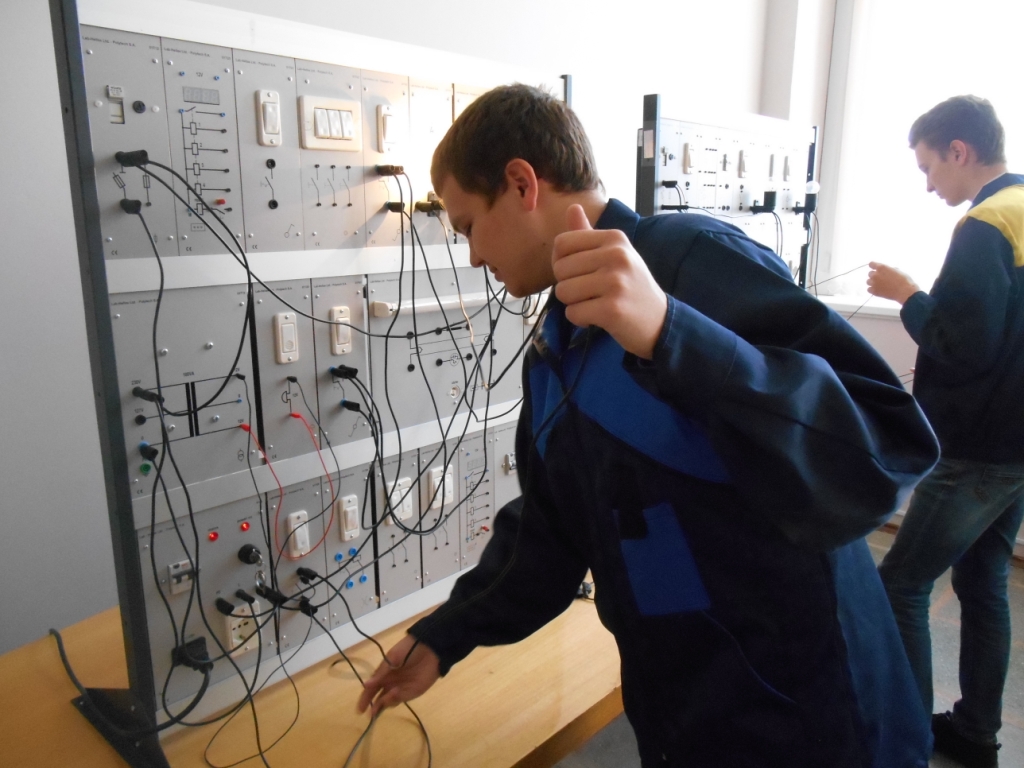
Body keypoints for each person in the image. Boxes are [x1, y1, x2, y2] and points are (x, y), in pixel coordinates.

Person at [358, 84, 940, 767]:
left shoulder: (691, 259)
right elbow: (548, 535)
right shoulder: (555, 351)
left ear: (521, 184)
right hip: (685, 716)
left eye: (467, 227)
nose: (474, 257)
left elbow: (881, 450)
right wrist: (445, 635)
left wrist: (670, 333)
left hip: (812, 713)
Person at [868, 95, 1024, 768]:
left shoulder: (984, 226)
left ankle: (905, 737)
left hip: (976, 451)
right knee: (984, 581)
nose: (930, 185)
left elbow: (962, 344)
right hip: (1016, 445)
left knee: (900, 584)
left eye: (930, 168)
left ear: (960, 151)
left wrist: (907, 295)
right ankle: (975, 733)